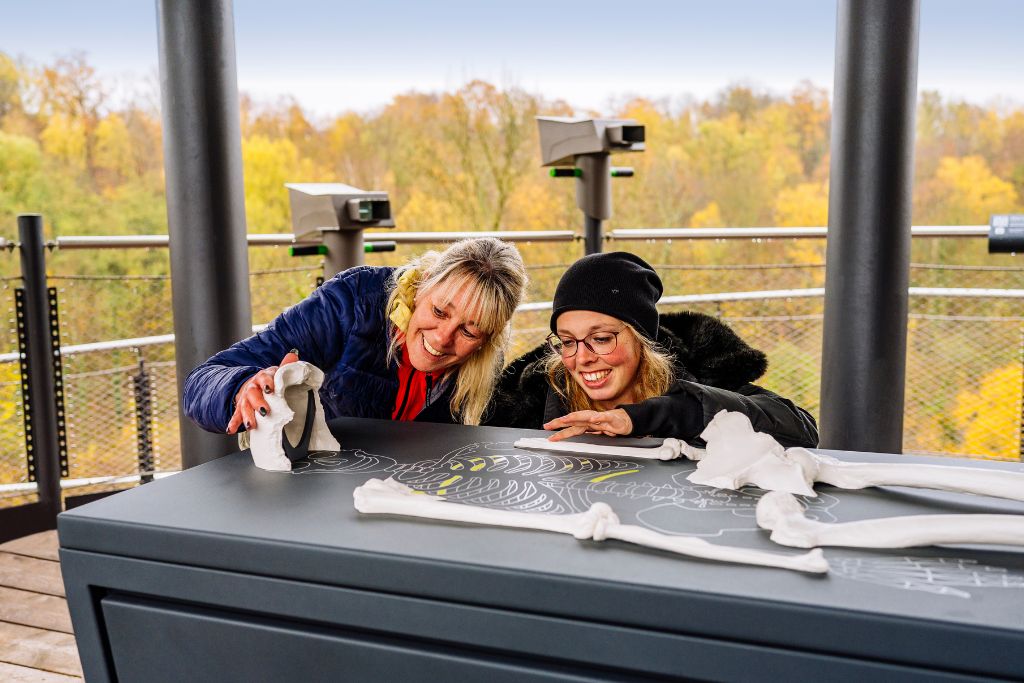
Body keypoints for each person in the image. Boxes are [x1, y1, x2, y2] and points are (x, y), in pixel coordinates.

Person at [183, 237, 528, 434]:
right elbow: (201, 381)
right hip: (316, 493)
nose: (442, 338)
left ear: (489, 338)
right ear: (422, 285)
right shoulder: (352, 301)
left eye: (469, 330)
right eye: (439, 312)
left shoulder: (486, 361)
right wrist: (242, 387)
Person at [487, 252, 818, 448]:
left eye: (601, 339)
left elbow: (801, 430)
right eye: (568, 341)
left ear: (641, 340)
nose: (582, 358)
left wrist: (660, 415)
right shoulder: (525, 398)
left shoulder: (702, 371)